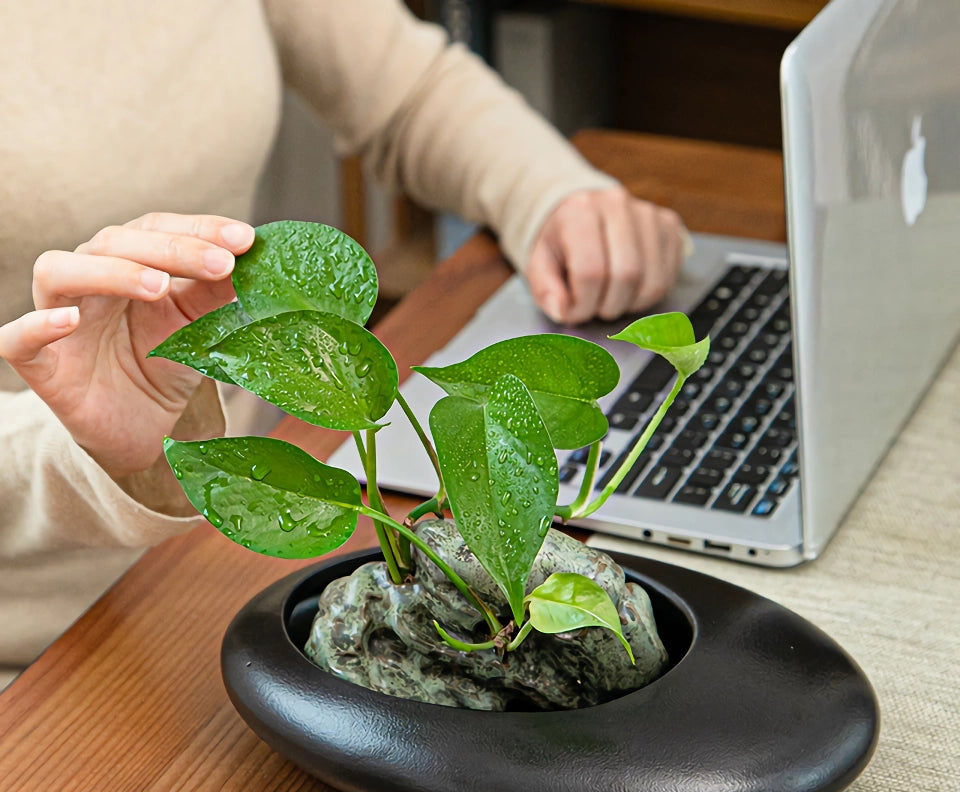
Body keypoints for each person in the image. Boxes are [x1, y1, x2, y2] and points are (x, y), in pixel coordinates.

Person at [0, 0, 686, 688]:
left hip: (230, 556)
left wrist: (556, 198)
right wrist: (78, 445)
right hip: (39, 643)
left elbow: (408, 91)